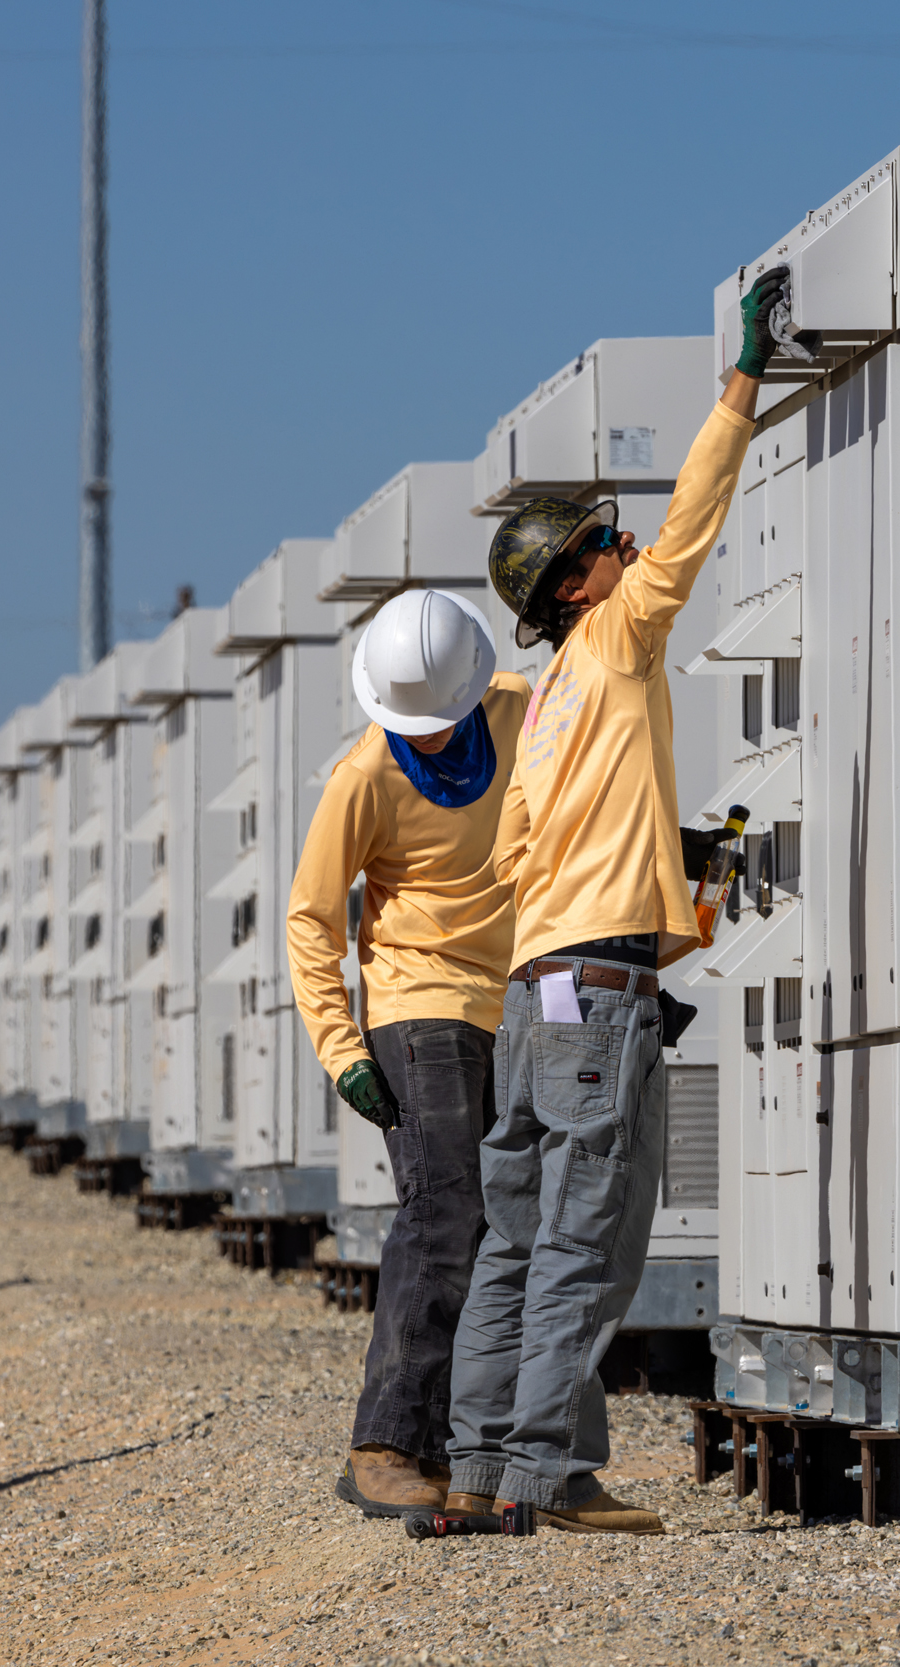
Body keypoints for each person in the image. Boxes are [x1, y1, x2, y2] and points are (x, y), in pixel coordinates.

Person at [438, 266, 786, 1536]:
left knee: (516, 1242)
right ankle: (550, 1476)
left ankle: (478, 1466)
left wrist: (656, 855)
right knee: (589, 1238)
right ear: (571, 586)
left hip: (535, 997)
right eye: (598, 539)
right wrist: (744, 380)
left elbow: (521, 854)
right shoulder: (623, 632)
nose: (622, 541)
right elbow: (695, 515)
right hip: (596, 997)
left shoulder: (546, 712)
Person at [284, 586, 530, 1517]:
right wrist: (340, 1047)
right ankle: (386, 1442)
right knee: (442, 1209)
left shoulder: (521, 710)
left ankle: (479, 1448)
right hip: (415, 1002)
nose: (425, 736)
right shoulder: (361, 777)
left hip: (512, 998)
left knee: (512, 1218)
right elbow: (311, 918)